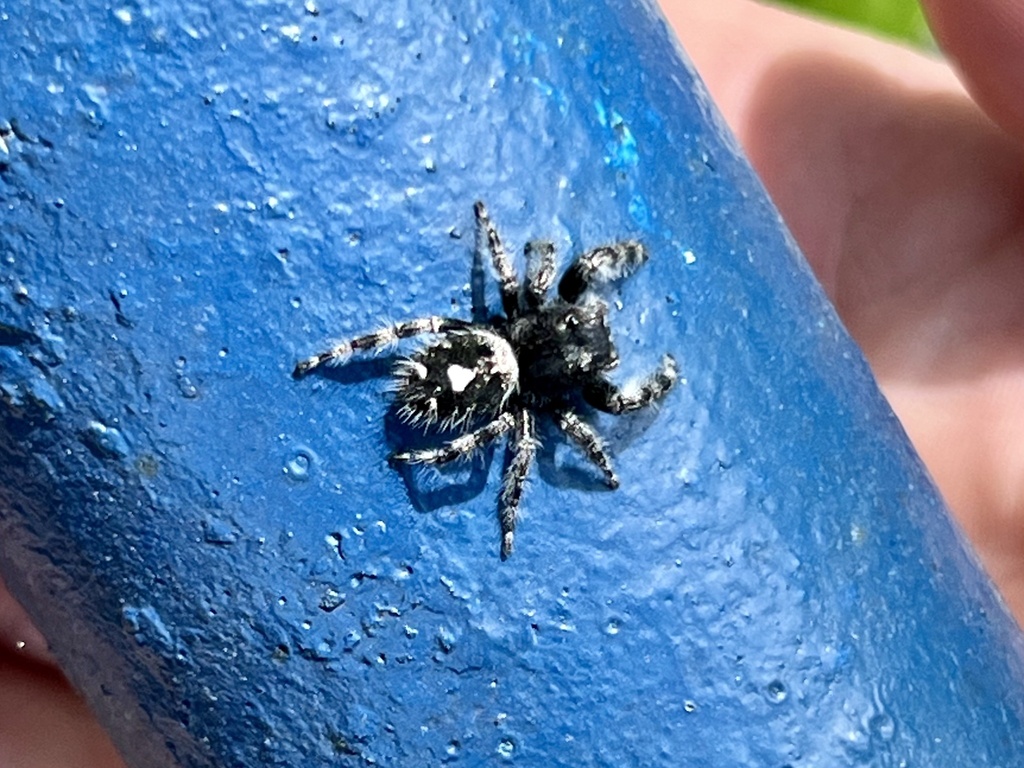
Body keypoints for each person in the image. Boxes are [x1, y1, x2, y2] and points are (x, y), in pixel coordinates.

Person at [2, 0, 1022, 763]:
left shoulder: (538, 365)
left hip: (479, 374)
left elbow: (556, 386)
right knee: (452, 369)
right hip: (479, 373)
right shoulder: (536, 339)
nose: (588, 334)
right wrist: (591, 385)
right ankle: (345, 366)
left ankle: (349, 368)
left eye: (591, 342)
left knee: (461, 376)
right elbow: (544, 341)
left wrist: (624, 376)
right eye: (586, 330)